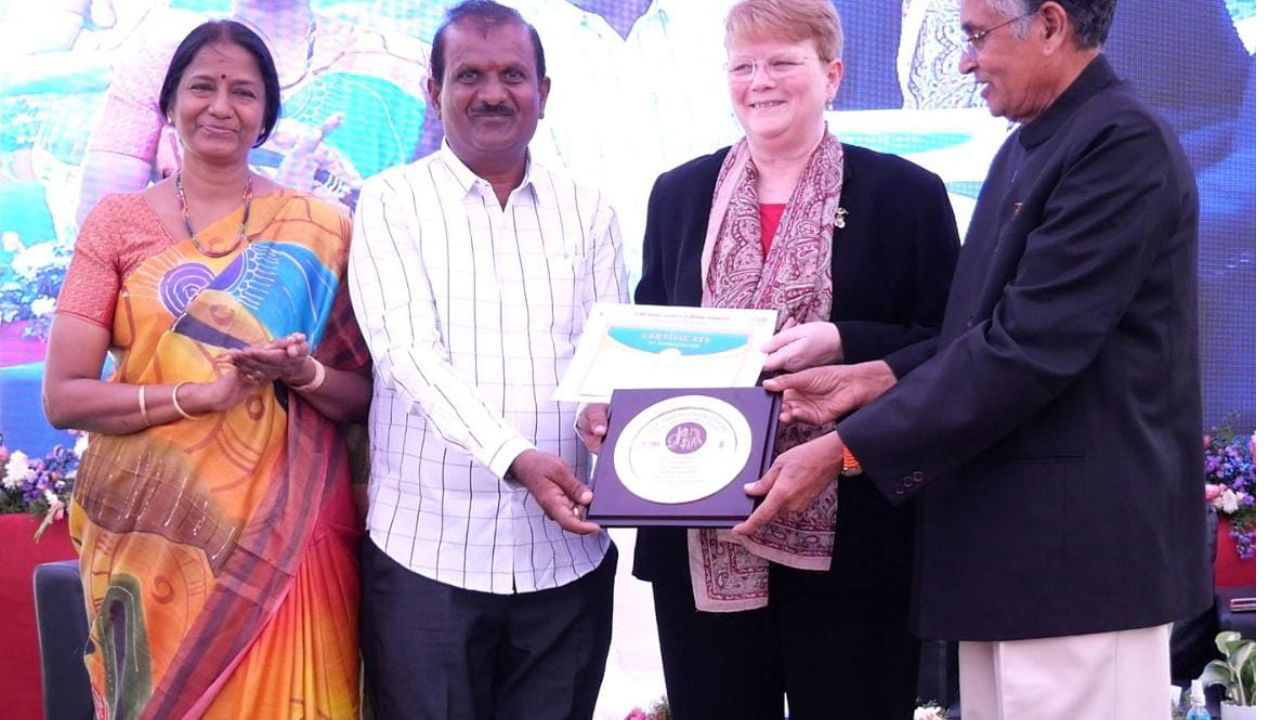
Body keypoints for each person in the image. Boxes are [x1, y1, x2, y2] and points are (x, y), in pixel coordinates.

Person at [744, 1, 1210, 717]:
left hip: (1077, 568)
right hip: (1010, 565)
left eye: (974, 37)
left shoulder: (1120, 145)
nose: (964, 62)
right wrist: (875, 378)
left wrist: (842, 453)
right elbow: (984, 328)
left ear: (1050, 24)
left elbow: (1026, 351)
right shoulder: (1036, 142)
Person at [577, 1, 961, 717]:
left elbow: (955, 344)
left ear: (833, 74)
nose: (761, 81)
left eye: (783, 61)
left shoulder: (906, 195)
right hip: (698, 534)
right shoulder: (678, 195)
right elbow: (653, 333)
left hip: (855, 523)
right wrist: (614, 410)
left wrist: (846, 339)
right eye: (743, 66)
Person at [42, 20, 371, 719]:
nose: (221, 106)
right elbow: (64, 396)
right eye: (203, 87)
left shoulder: (322, 226)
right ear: (169, 105)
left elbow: (363, 394)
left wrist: (302, 373)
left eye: (243, 92)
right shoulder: (116, 224)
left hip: (289, 538)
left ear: (266, 117)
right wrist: (202, 394)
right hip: (149, 533)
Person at [347, 2, 627, 718]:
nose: (494, 93)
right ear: (431, 90)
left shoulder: (589, 209)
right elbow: (407, 355)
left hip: (564, 559)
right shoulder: (390, 203)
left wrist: (609, 414)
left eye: (513, 75)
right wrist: (517, 458)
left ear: (544, 91)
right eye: (469, 74)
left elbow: (607, 355)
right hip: (428, 558)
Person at [75, 0, 433, 220]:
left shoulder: (403, 64)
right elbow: (100, 224)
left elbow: (431, 219)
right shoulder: (160, 65)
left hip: (352, 316)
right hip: (191, 312)